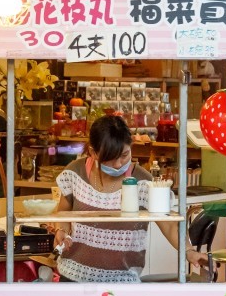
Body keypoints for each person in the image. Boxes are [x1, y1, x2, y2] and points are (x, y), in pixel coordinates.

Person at [50, 114, 208, 283]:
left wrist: (189, 251)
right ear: (93, 152)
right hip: (73, 276)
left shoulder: (143, 182)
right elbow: (63, 212)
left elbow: (169, 225)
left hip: (122, 282)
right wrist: (62, 231)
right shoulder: (75, 172)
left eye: (124, 155)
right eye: (110, 158)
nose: (118, 164)